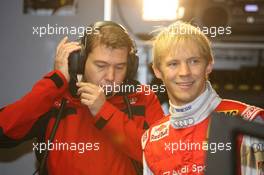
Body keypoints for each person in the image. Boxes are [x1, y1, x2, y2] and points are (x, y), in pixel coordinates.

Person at [0, 21, 164, 175]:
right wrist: (55, 82)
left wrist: (104, 112)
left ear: (130, 67)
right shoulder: (56, 99)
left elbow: (161, 158)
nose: (111, 76)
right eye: (101, 66)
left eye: (120, 67)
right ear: (80, 62)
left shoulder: (143, 98)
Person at [142, 21, 264, 175]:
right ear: (157, 71)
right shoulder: (152, 139)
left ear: (209, 64)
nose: (184, 72)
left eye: (194, 61)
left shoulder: (248, 121)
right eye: (173, 64)